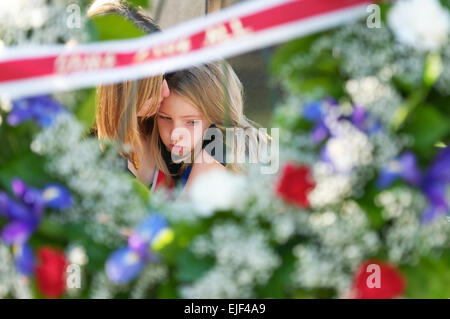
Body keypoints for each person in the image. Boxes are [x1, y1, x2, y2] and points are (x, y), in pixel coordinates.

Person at [148, 61, 272, 197]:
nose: (174, 135)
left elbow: (183, 213)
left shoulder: (219, 149)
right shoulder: (182, 155)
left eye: (191, 122)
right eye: (165, 118)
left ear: (217, 116)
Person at [88, 0, 170, 188]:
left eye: (165, 75)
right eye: (152, 85)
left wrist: (212, 157)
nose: (167, 91)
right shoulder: (81, 155)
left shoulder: (163, 118)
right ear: (118, 93)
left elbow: (218, 132)